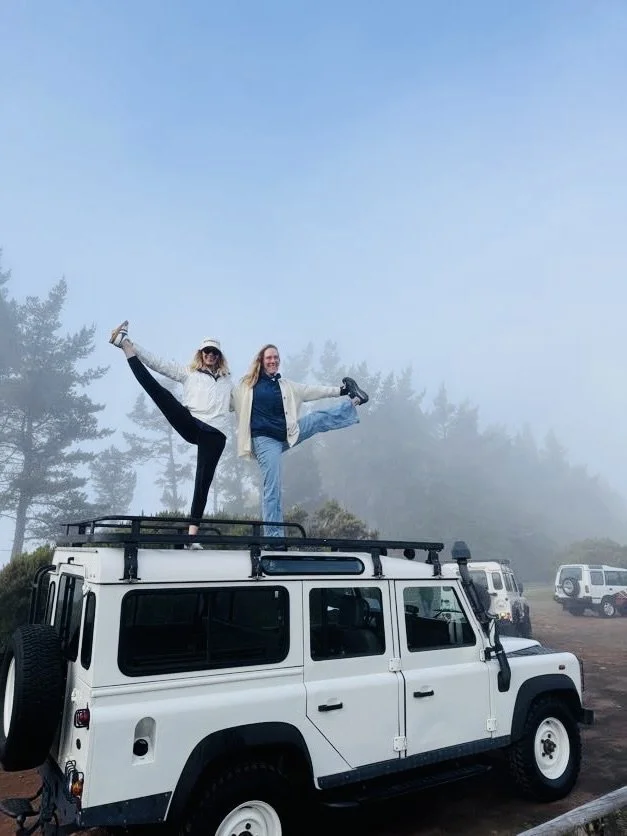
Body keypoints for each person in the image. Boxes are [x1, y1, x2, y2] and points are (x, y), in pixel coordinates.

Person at [109, 320, 232, 546]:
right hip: (192, 422)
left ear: (219, 356)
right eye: (207, 351)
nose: (210, 355)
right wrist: (133, 345)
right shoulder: (189, 373)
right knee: (161, 393)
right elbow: (159, 363)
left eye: (214, 352)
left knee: (203, 481)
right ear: (201, 353)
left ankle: (191, 537)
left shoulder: (228, 381)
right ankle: (125, 345)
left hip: (215, 434)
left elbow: (241, 403)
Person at [231, 343, 368, 538]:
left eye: (276, 357)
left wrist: (341, 391)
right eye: (269, 357)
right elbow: (226, 401)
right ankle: (274, 538)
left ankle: (354, 400)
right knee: (273, 487)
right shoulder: (247, 385)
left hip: (287, 435)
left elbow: (313, 390)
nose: (273, 361)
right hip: (265, 441)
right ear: (261, 361)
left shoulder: (286, 385)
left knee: (316, 419)